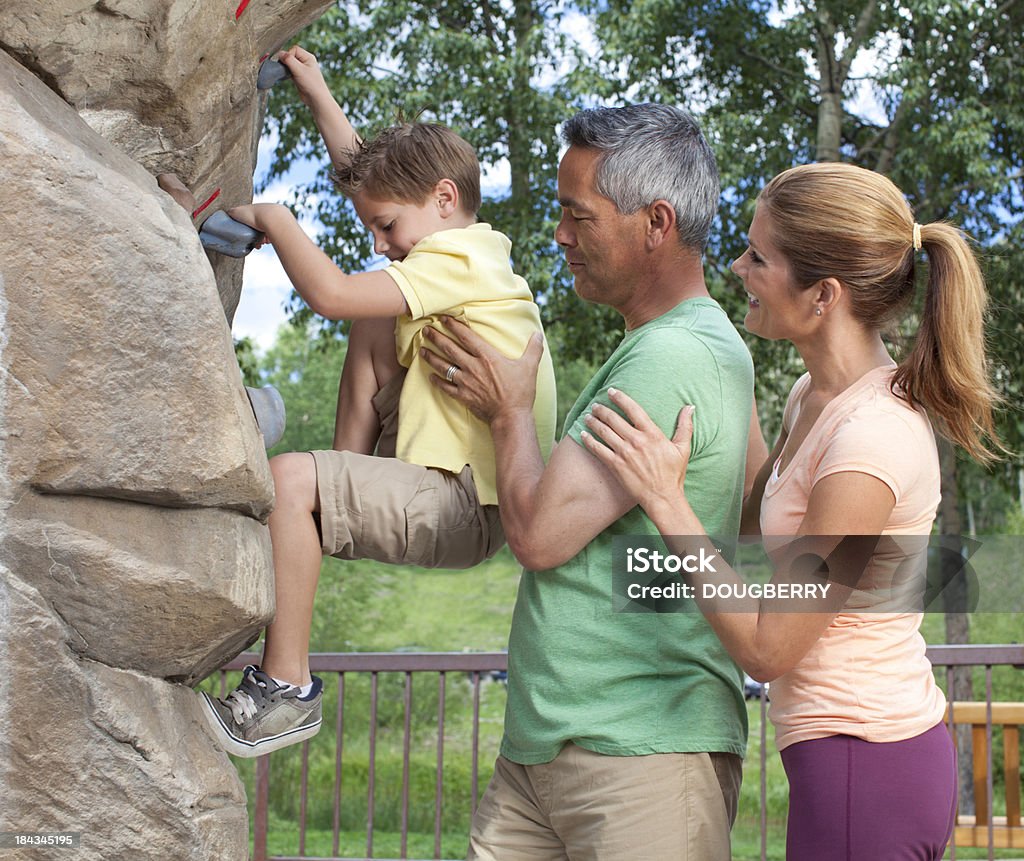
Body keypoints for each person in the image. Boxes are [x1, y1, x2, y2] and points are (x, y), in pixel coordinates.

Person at [580, 162, 1004, 860]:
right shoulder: (812, 396)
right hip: (852, 764)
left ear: (823, 296)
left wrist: (663, 498)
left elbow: (769, 649)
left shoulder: (868, 440)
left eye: (760, 257)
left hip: (865, 769)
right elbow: (750, 536)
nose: (739, 267)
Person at [419, 104, 759, 860]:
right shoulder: (698, 348)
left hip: (637, 759)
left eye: (579, 216)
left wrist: (510, 412)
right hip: (553, 750)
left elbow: (540, 534)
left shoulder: (672, 356)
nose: (561, 236)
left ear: (656, 222)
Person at [198, 46, 557, 758]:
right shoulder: (457, 250)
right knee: (376, 312)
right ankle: (335, 481)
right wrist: (314, 86)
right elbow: (368, 175)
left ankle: (285, 692)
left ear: (445, 200)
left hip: (465, 502)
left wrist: (273, 217)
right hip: (442, 483)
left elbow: (328, 294)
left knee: (292, 478)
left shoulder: (459, 260)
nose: (381, 241)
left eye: (388, 226)